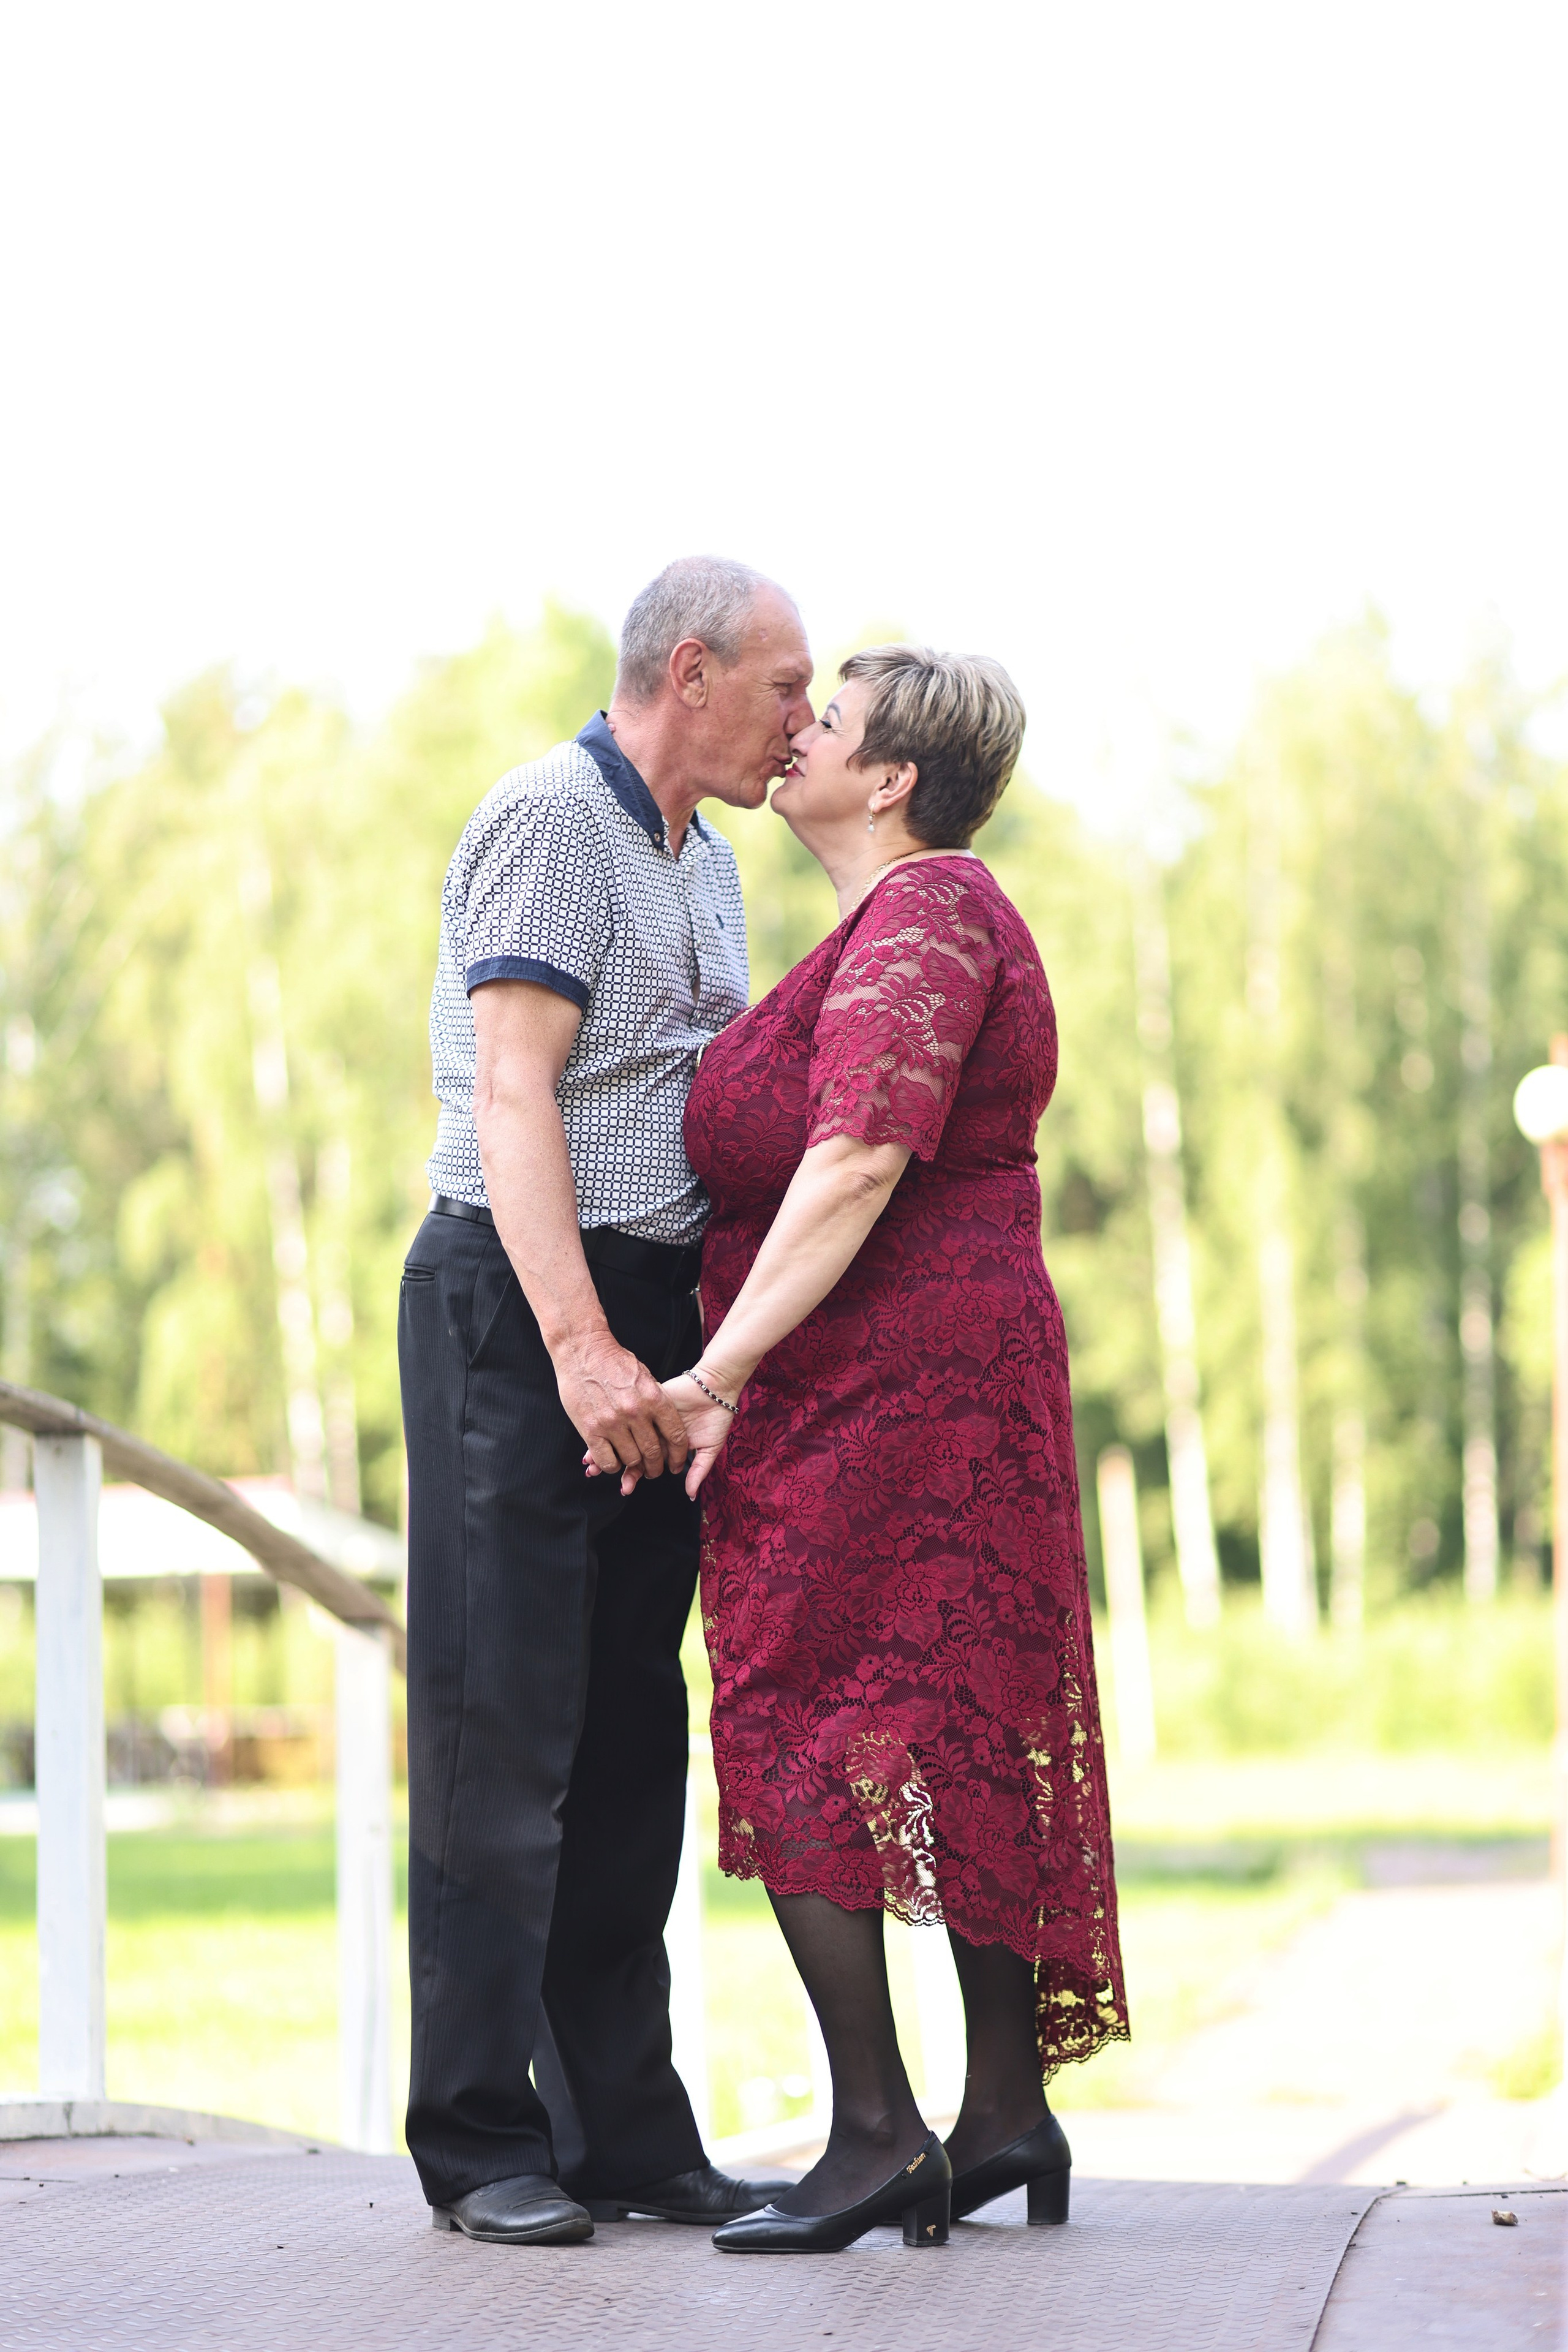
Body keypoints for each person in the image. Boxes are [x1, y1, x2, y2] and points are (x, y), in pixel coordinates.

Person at [657, 644, 1129, 2252]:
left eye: (829, 722)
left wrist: (715, 1374)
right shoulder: (889, 927)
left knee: (801, 1704)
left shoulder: (927, 914)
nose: (798, 736)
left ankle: (875, 2136)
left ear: (895, 775)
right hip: (914, 1369)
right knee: (946, 1709)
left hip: (891, 1381)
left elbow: (857, 1157)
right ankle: (1001, 2114)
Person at [399, 556, 815, 2244]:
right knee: (508, 1728)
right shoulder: (550, 819)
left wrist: (683, 1349)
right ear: (692, 670)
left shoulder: (706, 862)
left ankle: (624, 2138)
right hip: (520, 1303)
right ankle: (480, 2140)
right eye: (784, 690)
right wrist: (579, 1349)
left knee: (633, 1730)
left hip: (648, 1315)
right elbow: (512, 1092)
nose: (801, 728)